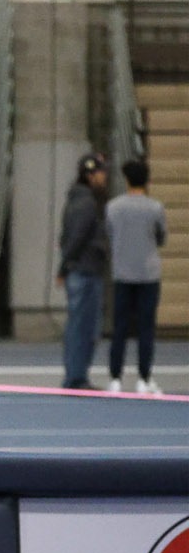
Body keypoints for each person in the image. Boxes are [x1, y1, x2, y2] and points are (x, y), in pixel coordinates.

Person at [105, 159, 167, 395]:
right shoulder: (155, 208)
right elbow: (162, 237)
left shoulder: (113, 207)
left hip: (123, 272)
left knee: (119, 328)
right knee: (145, 328)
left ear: (126, 179)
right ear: (147, 180)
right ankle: (143, 377)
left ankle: (115, 378)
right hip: (148, 274)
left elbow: (110, 234)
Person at [58, 152, 110, 390]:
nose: (104, 177)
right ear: (90, 175)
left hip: (84, 269)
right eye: (100, 172)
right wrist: (65, 266)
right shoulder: (86, 203)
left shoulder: (78, 200)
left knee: (81, 326)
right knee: (84, 327)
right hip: (85, 271)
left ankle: (77, 375)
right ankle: (76, 377)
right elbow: (75, 238)